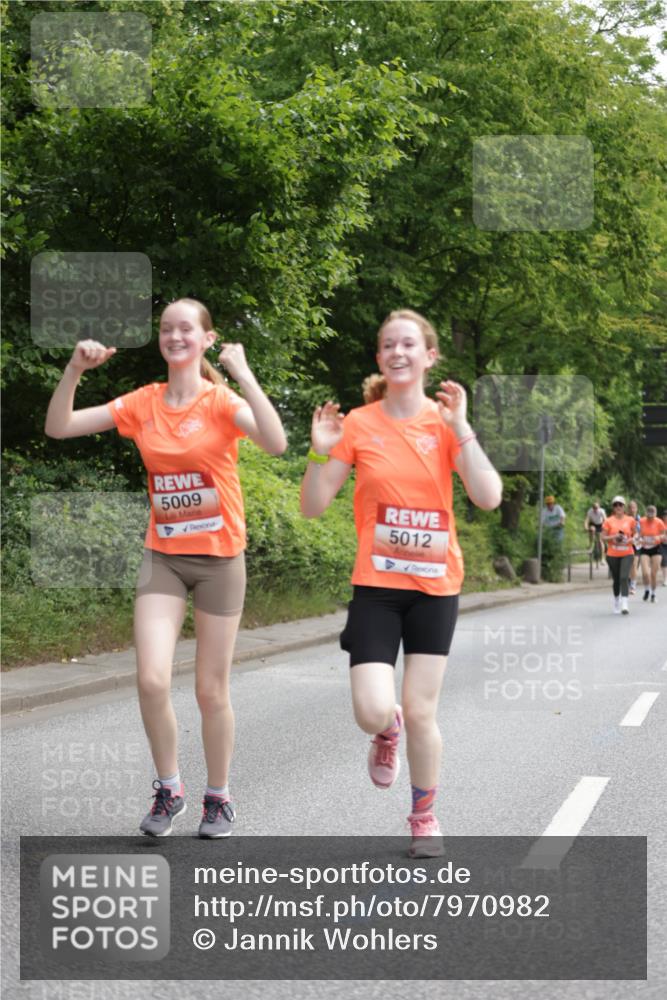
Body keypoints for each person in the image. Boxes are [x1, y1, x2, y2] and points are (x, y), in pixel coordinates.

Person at [45, 298, 287, 838]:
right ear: (161, 339)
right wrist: (76, 369)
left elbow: (276, 442)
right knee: (152, 678)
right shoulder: (144, 403)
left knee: (210, 690)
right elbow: (59, 427)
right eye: (166, 328)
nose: (175, 336)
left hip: (221, 560)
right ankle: (169, 787)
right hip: (165, 557)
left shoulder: (222, 402)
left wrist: (243, 374)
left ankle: (218, 798)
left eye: (186, 328)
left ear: (205, 339)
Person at [300, 309, 502, 857]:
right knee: (373, 709)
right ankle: (383, 734)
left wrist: (462, 427)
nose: (398, 352)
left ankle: (423, 816)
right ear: (379, 358)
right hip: (378, 585)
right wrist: (320, 448)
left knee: (422, 711)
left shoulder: (445, 421)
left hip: (436, 586)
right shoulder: (360, 424)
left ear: (430, 356)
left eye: (409, 344)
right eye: (388, 344)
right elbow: (314, 506)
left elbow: (488, 496)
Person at [601, 496, 636, 615]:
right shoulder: (608, 521)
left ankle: (625, 604)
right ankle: (616, 600)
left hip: (627, 553)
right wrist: (614, 537)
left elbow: (636, 535)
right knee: (616, 580)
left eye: (620, 505)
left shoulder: (630, 520)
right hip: (612, 554)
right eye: (615, 505)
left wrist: (630, 539)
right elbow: (603, 537)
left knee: (624, 577)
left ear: (624, 507)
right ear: (613, 507)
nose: (618, 507)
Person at [637, 505, 666, 603]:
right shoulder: (641, 521)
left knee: (653, 574)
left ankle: (653, 593)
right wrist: (638, 538)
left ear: (655, 514)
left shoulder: (659, 522)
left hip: (656, 549)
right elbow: (638, 533)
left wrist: (659, 537)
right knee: (645, 573)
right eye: (649, 515)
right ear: (646, 513)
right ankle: (647, 590)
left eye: (652, 515)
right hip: (645, 548)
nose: (650, 518)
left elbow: (664, 535)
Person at [627, 499, 641, 595]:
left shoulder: (640, 519)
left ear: (637, 509)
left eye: (634, 507)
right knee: (627, 565)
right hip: (627, 543)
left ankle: (633, 585)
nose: (632, 509)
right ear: (628, 509)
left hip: (636, 544)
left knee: (634, 565)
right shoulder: (625, 519)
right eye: (631, 507)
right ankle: (628, 582)